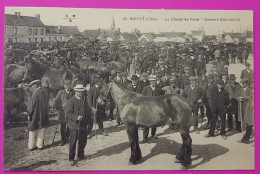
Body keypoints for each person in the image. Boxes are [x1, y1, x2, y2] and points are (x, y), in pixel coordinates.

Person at [65, 83, 92, 166]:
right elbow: (68, 113)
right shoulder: (71, 101)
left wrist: (91, 112)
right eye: (78, 91)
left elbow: (87, 110)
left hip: (83, 124)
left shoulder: (84, 100)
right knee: (73, 142)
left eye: (81, 91)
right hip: (74, 125)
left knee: (83, 141)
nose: (80, 93)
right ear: (75, 91)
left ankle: (81, 154)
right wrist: (76, 117)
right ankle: (71, 158)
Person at [27, 79, 49, 151]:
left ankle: (31, 146)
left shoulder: (35, 93)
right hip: (43, 114)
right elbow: (47, 105)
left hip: (35, 114)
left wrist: (29, 113)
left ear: (36, 85)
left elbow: (31, 105)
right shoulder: (45, 92)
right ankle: (40, 146)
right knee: (41, 129)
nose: (32, 87)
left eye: (32, 85)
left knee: (32, 130)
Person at [53, 80, 74, 146]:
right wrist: (58, 109)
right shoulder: (61, 92)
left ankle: (67, 137)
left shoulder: (73, 92)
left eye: (68, 85)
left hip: (70, 112)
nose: (67, 86)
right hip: (62, 112)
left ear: (70, 85)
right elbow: (56, 101)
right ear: (64, 85)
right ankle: (63, 140)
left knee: (70, 125)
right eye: (66, 85)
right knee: (63, 126)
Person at [141, 75, 160, 143]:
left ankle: (153, 134)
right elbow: (142, 98)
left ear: (155, 82)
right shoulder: (145, 88)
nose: (152, 82)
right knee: (146, 123)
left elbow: (159, 98)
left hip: (155, 108)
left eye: (154, 81)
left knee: (155, 121)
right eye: (151, 81)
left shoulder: (158, 89)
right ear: (150, 82)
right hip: (147, 108)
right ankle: (145, 137)